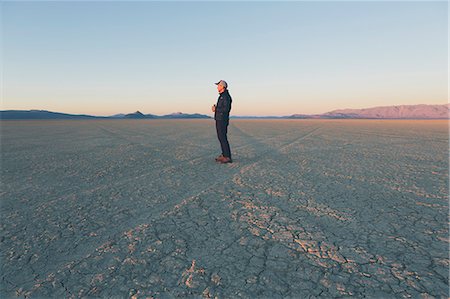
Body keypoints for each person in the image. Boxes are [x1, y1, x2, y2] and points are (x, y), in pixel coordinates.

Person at [212, 80, 232, 163]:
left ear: (222, 86)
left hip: (222, 120)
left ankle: (227, 156)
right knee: (221, 137)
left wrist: (216, 109)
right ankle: (224, 154)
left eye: (218, 85)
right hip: (219, 119)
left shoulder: (226, 96)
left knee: (223, 138)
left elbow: (226, 109)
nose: (217, 87)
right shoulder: (222, 96)